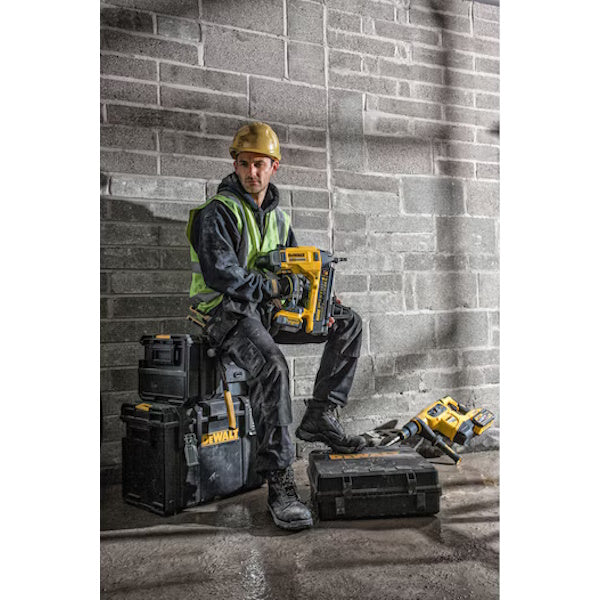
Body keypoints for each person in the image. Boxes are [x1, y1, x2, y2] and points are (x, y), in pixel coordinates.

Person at [185, 122, 365, 530]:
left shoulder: (280, 220)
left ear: (274, 167)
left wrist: (319, 301)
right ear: (235, 165)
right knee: (272, 367)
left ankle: (320, 415)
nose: (252, 172)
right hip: (226, 313)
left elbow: (294, 270)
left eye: (260, 164)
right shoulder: (219, 212)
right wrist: (272, 286)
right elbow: (222, 274)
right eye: (244, 164)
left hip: (264, 312)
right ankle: (280, 482)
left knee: (347, 323)